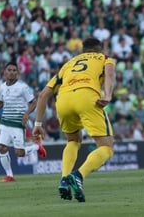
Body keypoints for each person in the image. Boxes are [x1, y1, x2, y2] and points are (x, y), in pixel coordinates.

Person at [32, 38, 116, 202]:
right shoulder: (105, 58)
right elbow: (110, 74)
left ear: (83, 51)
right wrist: (108, 94)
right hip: (87, 96)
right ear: (100, 50)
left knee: (73, 140)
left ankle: (64, 179)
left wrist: (38, 125)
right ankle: (78, 175)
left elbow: (43, 95)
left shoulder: (69, 63)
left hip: (63, 100)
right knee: (106, 147)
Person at [0, 62, 47, 183]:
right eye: (9, 70)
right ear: (5, 72)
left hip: (17, 124)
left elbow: (33, 102)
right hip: (5, 122)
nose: (12, 72)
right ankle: (10, 176)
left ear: (17, 73)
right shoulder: (2, 87)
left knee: (19, 153)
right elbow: (1, 103)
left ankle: (36, 146)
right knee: (2, 147)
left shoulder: (22, 87)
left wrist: (27, 114)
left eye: (14, 70)